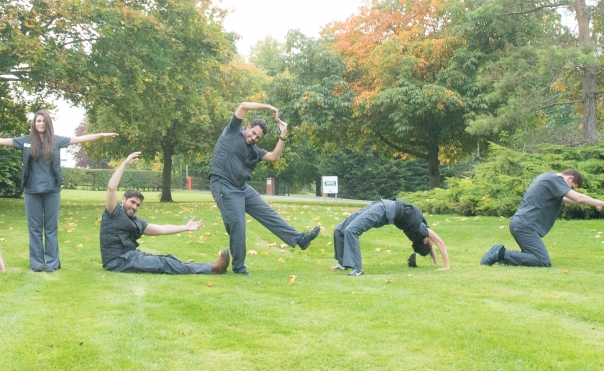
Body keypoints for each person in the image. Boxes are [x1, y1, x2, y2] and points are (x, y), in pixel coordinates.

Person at [0, 112, 116, 272]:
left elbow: (79, 139)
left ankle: (51, 263)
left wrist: (102, 135)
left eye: (44, 121)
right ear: (34, 124)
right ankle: (36, 263)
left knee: (51, 228)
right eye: (38, 121)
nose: (41, 123)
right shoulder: (26, 141)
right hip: (31, 190)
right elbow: (2, 141)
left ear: (48, 123)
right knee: (34, 228)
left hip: (52, 190)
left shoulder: (56, 141)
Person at [209, 102, 321, 275]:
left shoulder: (254, 150)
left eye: (257, 137)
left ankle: (300, 239)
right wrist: (269, 107)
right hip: (223, 185)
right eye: (253, 133)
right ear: (248, 127)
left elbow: (274, 157)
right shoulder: (232, 131)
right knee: (238, 226)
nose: (254, 138)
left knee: (268, 213)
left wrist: (283, 135)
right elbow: (243, 106)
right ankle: (239, 267)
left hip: (240, 187)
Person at [100, 152, 229, 275]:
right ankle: (213, 269)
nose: (134, 207)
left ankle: (210, 268)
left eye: (137, 205)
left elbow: (161, 229)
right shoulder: (113, 211)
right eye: (132, 202)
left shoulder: (135, 220)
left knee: (168, 259)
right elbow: (111, 187)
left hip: (129, 257)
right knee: (164, 263)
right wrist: (125, 164)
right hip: (117, 261)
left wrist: (185, 227)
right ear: (123, 199)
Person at [481, 169, 604, 267]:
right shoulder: (555, 180)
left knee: (533, 257)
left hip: (521, 224)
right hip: (525, 226)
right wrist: (603, 202)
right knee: (543, 261)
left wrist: (595, 203)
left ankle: (500, 255)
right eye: (572, 188)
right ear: (569, 178)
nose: (571, 190)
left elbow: (571, 200)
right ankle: (501, 254)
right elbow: (578, 198)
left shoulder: (547, 177)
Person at [330, 199, 449, 276]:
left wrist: (445, 266)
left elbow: (439, 243)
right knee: (339, 229)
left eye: (430, 243)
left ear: (424, 241)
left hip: (382, 211)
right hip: (380, 205)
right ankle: (342, 264)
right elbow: (435, 245)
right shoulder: (420, 235)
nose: (431, 241)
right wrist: (437, 263)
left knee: (351, 230)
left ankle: (358, 269)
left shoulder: (420, 230)